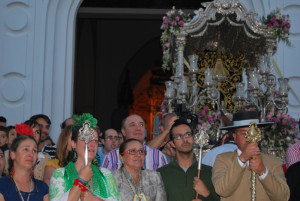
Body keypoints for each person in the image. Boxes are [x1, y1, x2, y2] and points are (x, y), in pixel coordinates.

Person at [212, 111, 290, 201]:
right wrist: (242, 159)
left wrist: (263, 172)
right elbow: (222, 190)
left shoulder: (273, 162)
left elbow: (283, 197)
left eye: (253, 132)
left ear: (259, 135)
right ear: (234, 137)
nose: (249, 137)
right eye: (244, 133)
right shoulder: (223, 160)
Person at [49, 113, 119, 201]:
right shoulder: (60, 174)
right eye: (86, 139)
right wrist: (81, 180)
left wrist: (94, 199)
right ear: (73, 143)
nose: (92, 144)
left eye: (95, 140)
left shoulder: (106, 174)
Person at [157, 119, 219, 201]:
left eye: (188, 135)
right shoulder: (161, 174)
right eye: (179, 136)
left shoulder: (209, 172)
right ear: (172, 143)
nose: (185, 140)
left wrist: (207, 194)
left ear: (193, 138)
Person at [102, 114, 168, 171]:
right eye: (132, 125)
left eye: (141, 125)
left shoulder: (158, 156)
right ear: (123, 131)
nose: (138, 128)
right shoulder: (111, 157)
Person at [0, 127, 49, 200]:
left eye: (34, 150)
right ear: (13, 154)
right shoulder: (2, 185)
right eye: (26, 149)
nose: (31, 154)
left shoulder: (42, 187)